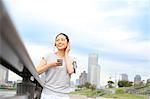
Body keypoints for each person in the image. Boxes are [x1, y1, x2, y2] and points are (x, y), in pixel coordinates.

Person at [36, 33, 75, 99]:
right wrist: (50, 65)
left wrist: (66, 53)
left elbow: (70, 71)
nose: (60, 42)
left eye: (62, 40)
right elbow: (36, 71)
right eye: (57, 40)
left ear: (68, 43)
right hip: (47, 94)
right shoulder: (48, 56)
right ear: (55, 43)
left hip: (63, 96)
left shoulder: (72, 59)